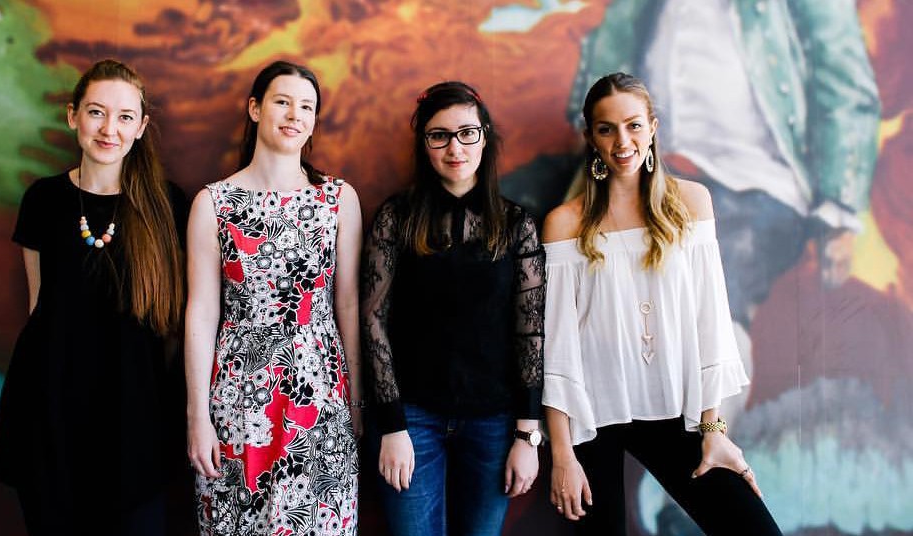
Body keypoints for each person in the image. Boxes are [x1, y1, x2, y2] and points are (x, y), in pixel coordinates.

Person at [567, 0, 880, 418]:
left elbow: (843, 79)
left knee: (715, 310)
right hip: (653, 173)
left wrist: (839, 209)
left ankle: (709, 454)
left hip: (758, 180)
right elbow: (610, 52)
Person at [541, 73, 782, 535]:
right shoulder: (564, 224)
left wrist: (714, 432)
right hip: (592, 418)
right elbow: (557, 349)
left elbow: (711, 323)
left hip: (674, 408)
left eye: (633, 125)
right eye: (606, 128)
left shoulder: (691, 203)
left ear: (653, 127)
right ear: (590, 136)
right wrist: (562, 454)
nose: (622, 141)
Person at [0, 59, 189, 535]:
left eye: (124, 117)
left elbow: (184, 323)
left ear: (141, 127)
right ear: (72, 115)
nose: (109, 129)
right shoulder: (43, 200)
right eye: (96, 112)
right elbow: (39, 309)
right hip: (49, 417)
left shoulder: (169, 206)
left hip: (134, 420)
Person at [184, 60, 362, 535]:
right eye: (283, 101)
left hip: (319, 394)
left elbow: (347, 304)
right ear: (255, 109)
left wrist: (358, 399)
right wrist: (197, 416)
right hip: (239, 395)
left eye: (307, 106)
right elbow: (201, 311)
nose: (294, 115)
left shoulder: (338, 199)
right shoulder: (213, 202)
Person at [361, 81, 546, 536]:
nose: (454, 147)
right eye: (438, 135)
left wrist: (527, 435)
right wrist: (391, 425)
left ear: (485, 136)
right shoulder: (396, 217)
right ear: (424, 145)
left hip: (493, 422)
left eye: (467, 133)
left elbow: (531, 333)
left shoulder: (516, 224)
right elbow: (373, 322)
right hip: (413, 420)